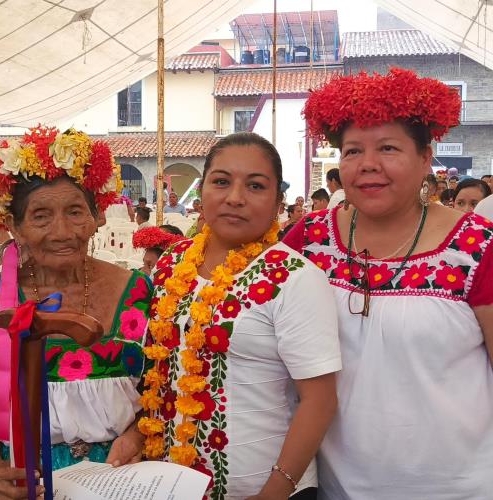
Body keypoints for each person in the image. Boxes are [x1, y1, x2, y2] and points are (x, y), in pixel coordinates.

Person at [287, 67, 493, 499]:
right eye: (352, 150)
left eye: (388, 148)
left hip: (460, 487)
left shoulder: (476, 248)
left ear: (425, 157)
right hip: (333, 488)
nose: (367, 165)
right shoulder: (308, 241)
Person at [138, 132, 340, 499]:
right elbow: (161, 371)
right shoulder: (172, 262)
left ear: (279, 202)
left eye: (256, 186)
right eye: (221, 182)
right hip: (172, 485)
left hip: (265, 489)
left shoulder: (294, 277)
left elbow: (320, 400)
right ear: (201, 193)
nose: (235, 198)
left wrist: (275, 491)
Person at [0, 126, 153, 499]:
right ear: (14, 227)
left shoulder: (138, 291)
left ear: (97, 216)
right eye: (41, 216)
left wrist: (137, 435)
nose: (62, 231)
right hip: (19, 482)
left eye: (76, 212)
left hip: (118, 477)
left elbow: (157, 394)